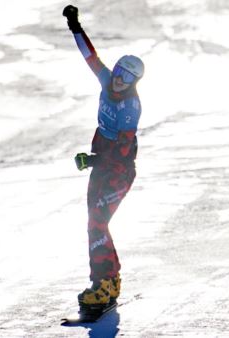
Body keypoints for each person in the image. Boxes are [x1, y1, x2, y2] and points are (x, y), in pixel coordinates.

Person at [63, 4, 144, 308]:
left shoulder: (130, 108)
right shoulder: (107, 81)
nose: (120, 79)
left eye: (127, 77)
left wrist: (94, 160)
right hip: (103, 162)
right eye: (120, 72)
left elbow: (122, 152)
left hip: (118, 171)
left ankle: (103, 283)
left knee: (98, 221)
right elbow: (90, 58)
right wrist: (75, 27)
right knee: (94, 222)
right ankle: (110, 280)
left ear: (135, 82)